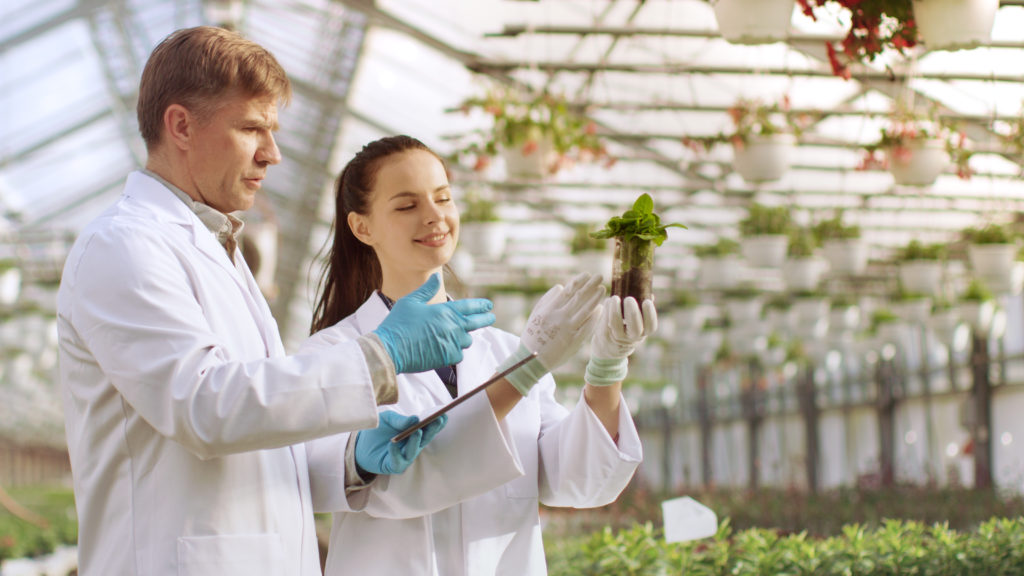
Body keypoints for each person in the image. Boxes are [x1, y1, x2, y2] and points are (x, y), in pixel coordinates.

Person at [56, 27, 495, 576]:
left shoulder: (220, 250)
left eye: (274, 130)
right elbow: (204, 408)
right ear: (181, 125)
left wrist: (350, 458)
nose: (273, 153)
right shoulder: (124, 245)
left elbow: (258, 436)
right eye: (251, 128)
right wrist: (379, 356)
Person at [303, 135, 658, 576]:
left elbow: (576, 481)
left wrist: (605, 369)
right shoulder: (335, 356)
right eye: (406, 205)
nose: (434, 216)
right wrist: (524, 372)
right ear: (363, 227)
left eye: (443, 198)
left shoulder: (506, 349)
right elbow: (389, 487)